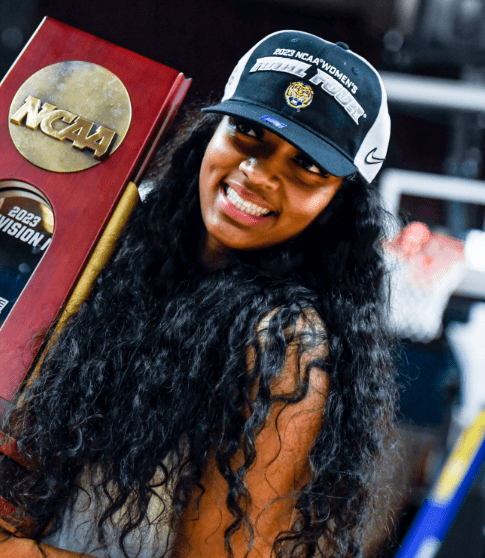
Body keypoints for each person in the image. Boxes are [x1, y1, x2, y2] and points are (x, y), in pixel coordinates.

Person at [0, 30, 397, 558]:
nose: (257, 174)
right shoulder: (125, 252)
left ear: (338, 204)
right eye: (249, 132)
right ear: (211, 132)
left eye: (306, 167)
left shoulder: (285, 344)